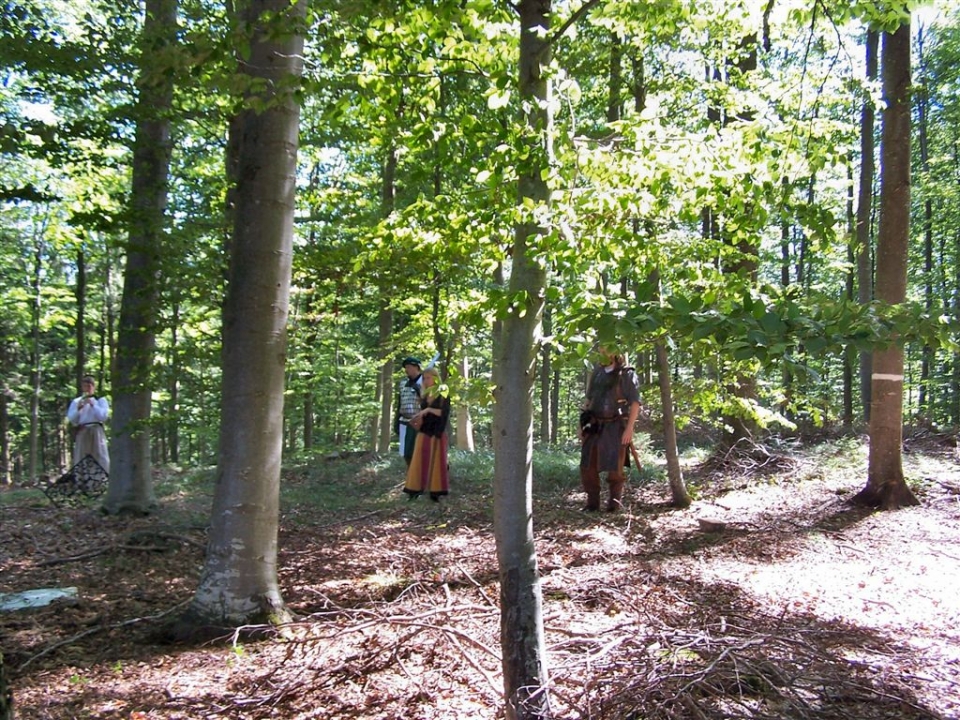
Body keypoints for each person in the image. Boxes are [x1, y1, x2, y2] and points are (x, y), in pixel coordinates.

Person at [579, 346, 640, 512]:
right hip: (594, 425)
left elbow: (635, 403)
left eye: (607, 348)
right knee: (587, 464)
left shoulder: (627, 374)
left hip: (616, 425)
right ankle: (592, 504)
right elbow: (589, 400)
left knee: (615, 467)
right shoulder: (597, 372)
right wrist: (583, 426)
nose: (604, 351)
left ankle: (614, 505)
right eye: (601, 348)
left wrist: (629, 429)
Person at [403, 366, 451, 502]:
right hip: (424, 430)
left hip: (437, 432)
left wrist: (428, 410)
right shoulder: (424, 394)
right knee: (418, 461)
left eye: (429, 377)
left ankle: (435, 493)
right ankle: (414, 491)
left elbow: (443, 413)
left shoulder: (443, 393)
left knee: (437, 462)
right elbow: (423, 412)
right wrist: (418, 418)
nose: (426, 380)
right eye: (424, 378)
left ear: (436, 378)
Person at [66, 375, 110, 474]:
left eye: (89, 386)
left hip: (96, 429)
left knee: (100, 454)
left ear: (93, 387)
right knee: (82, 455)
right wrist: (79, 409)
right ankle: (82, 480)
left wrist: (93, 405)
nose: (87, 389)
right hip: (83, 429)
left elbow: (103, 416)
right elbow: (71, 419)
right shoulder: (77, 401)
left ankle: (102, 479)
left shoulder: (100, 400)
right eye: (85, 386)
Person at [395, 356, 423, 466]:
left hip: (419, 421)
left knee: (418, 451)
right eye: (406, 367)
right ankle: (410, 475)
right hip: (404, 420)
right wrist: (396, 420)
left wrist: (418, 390)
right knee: (405, 452)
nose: (407, 370)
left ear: (416, 367)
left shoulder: (424, 382)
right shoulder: (403, 383)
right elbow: (400, 402)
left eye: (409, 367)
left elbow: (428, 401)